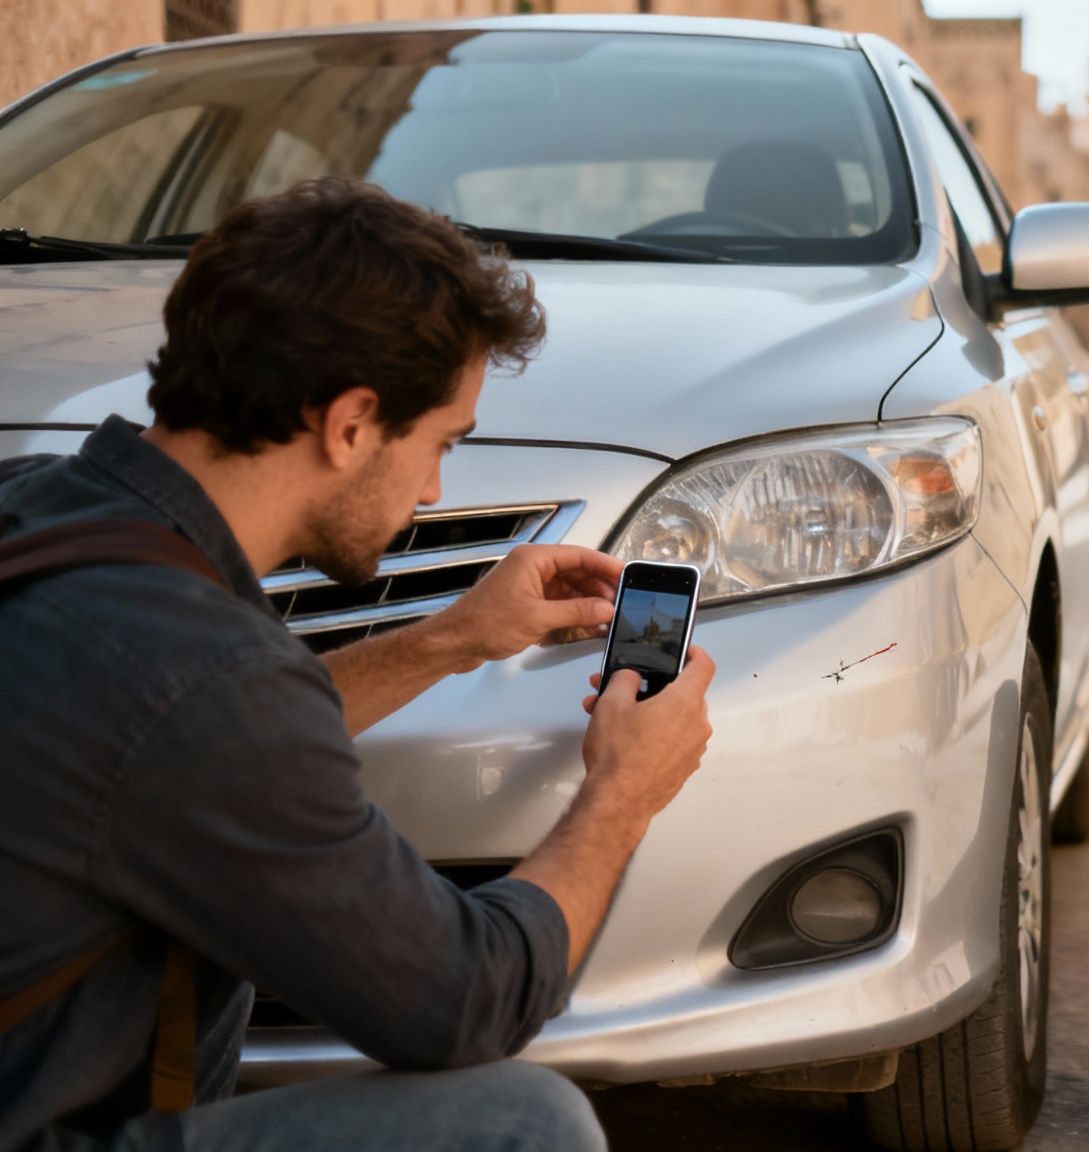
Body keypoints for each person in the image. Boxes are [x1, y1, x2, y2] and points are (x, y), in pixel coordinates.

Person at [0, 178, 714, 1151]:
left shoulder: (41, 509)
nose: (431, 487)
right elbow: (463, 999)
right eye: (439, 444)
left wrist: (451, 638)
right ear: (349, 423)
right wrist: (623, 793)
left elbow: (181, 746)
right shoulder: (204, 676)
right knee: (521, 1125)